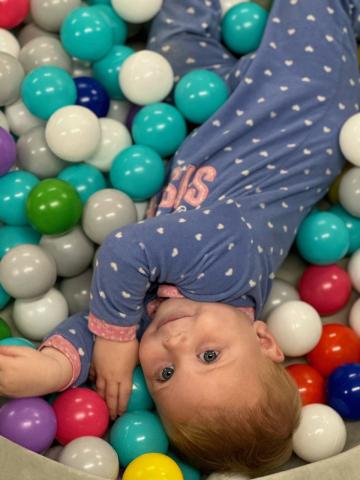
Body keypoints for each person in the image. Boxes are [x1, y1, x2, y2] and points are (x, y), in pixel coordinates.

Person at [1, 0, 359, 475]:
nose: (175, 343)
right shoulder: (230, 262)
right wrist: (117, 336)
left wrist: (55, 368)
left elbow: (99, 337)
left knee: (174, 45)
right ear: (264, 339)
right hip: (302, 105)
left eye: (165, 375)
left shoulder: (165, 323)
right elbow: (125, 252)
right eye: (209, 355)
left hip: (215, 113)